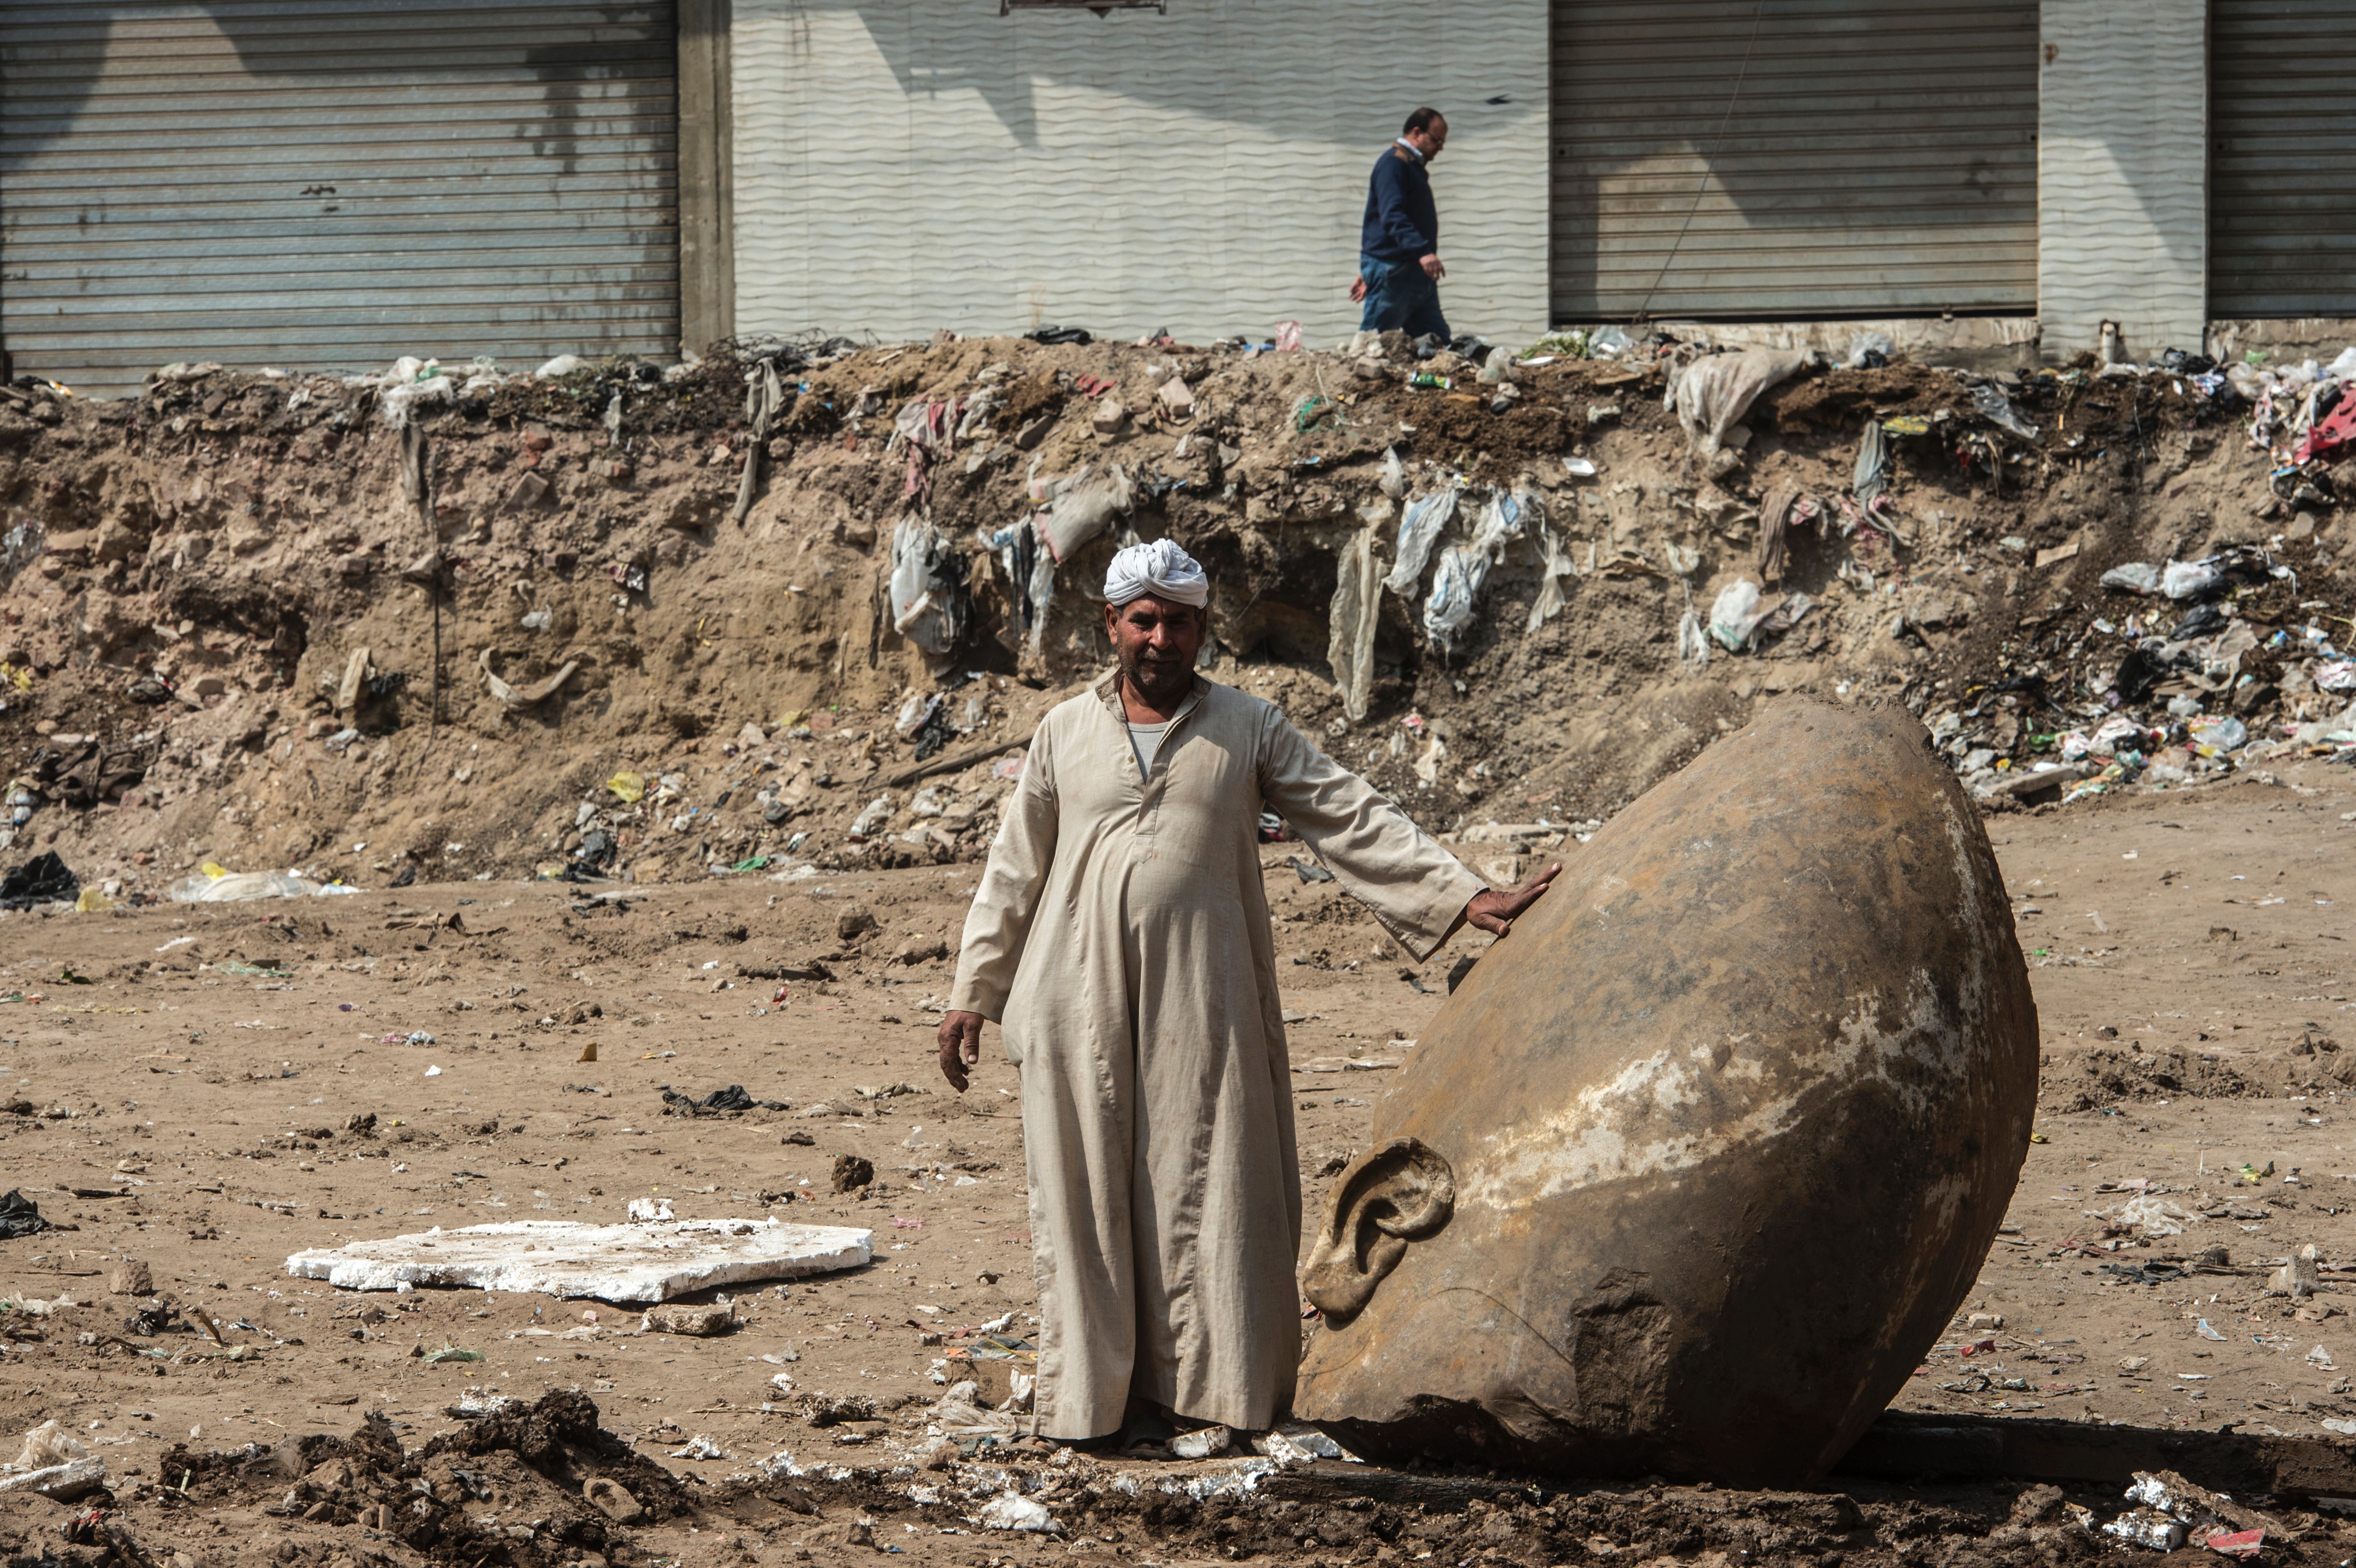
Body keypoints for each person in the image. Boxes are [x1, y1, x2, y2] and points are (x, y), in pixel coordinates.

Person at [935, 538, 1558, 1448]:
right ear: (1111, 625)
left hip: (1205, 994)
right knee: (1086, 1195)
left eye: (1177, 622)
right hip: (1072, 998)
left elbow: (1344, 810)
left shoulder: (1247, 727)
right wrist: (971, 993)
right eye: (1142, 620)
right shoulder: (1062, 733)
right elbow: (1012, 870)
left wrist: (1463, 895)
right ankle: (1094, 1408)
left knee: (1209, 1182)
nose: (1159, 638)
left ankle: (1214, 1398)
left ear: (1200, 630)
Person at [1352, 107, 1451, 342]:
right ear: (1417, 133)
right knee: (1375, 343)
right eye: (1437, 140)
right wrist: (1423, 253)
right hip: (1396, 272)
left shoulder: (1410, 166)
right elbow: (1392, 215)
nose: (1441, 147)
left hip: (1413, 274)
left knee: (1437, 343)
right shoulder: (1394, 165)